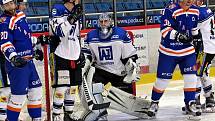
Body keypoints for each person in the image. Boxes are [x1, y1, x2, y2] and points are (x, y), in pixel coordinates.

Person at [81, 12, 140, 120]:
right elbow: (87, 55)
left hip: (119, 72)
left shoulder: (121, 34)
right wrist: (86, 63)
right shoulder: (91, 36)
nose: (103, 24)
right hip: (101, 71)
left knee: (127, 97)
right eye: (101, 21)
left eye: (106, 21)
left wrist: (132, 67)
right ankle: (102, 114)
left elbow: (130, 55)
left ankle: (136, 104)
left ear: (111, 22)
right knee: (95, 88)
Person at [148, 0, 201, 118]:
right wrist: (178, 36)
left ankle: (190, 103)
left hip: (187, 51)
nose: (189, 1)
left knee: (191, 77)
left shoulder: (195, 10)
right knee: (162, 80)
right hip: (168, 51)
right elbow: (164, 30)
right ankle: (154, 102)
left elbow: (194, 29)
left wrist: (197, 39)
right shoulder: (170, 9)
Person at [0, 0, 42, 120]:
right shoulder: (4, 21)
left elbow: (25, 36)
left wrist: (36, 47)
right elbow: (5, 42)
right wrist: (13, 57)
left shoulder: (20, 15)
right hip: (17, 65)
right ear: (2, 7)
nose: (10, 6)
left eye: (11, 3)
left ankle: (37, 118)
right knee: (18, 97)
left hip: (29, 62)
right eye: (6, 5)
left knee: (36, 91)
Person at [48, 0, 84, 120]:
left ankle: (69, 113)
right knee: (61, 87)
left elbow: (77, 35)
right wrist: (72, 18)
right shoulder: (57, 9)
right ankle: (56, 115)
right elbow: (60, 31)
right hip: (60, 53)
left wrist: (80, 51)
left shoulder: (76, 11)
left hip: (74, 55)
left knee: (73, 87)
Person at [193, 0, 215, 112]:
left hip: (205, 48)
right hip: (209, 47)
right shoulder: (206, 10)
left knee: (197, 73)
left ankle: (195, 101)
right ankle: (209, 100)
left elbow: (194, 30)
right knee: (203, 73)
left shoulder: (200, 12)